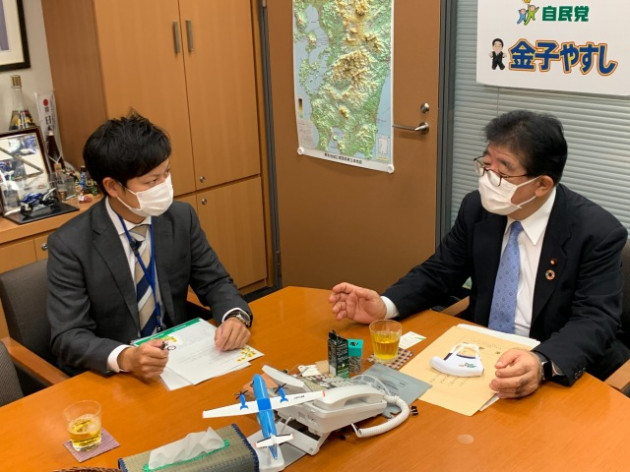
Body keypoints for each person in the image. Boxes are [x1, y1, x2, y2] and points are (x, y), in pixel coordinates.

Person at [330, 109, 629, 399]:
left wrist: (541, 362)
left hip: (554, 368)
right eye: (486, 164)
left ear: (541, 184)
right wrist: (384, 306)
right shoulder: (477, 208)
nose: (488, 178)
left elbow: (596, 319)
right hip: (479, 354)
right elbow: (440, 271)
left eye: (503, 171)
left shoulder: (596, 232)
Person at [47, 113, 253, 380]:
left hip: (179, 356)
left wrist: (235, 316)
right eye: (151, 181)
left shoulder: (180, 218)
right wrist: (125, 357)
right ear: (112, 187)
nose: (164, 186)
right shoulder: (70, 244)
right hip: (116, 375)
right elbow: (68, 335)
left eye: (166, 173)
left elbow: (215, 282)